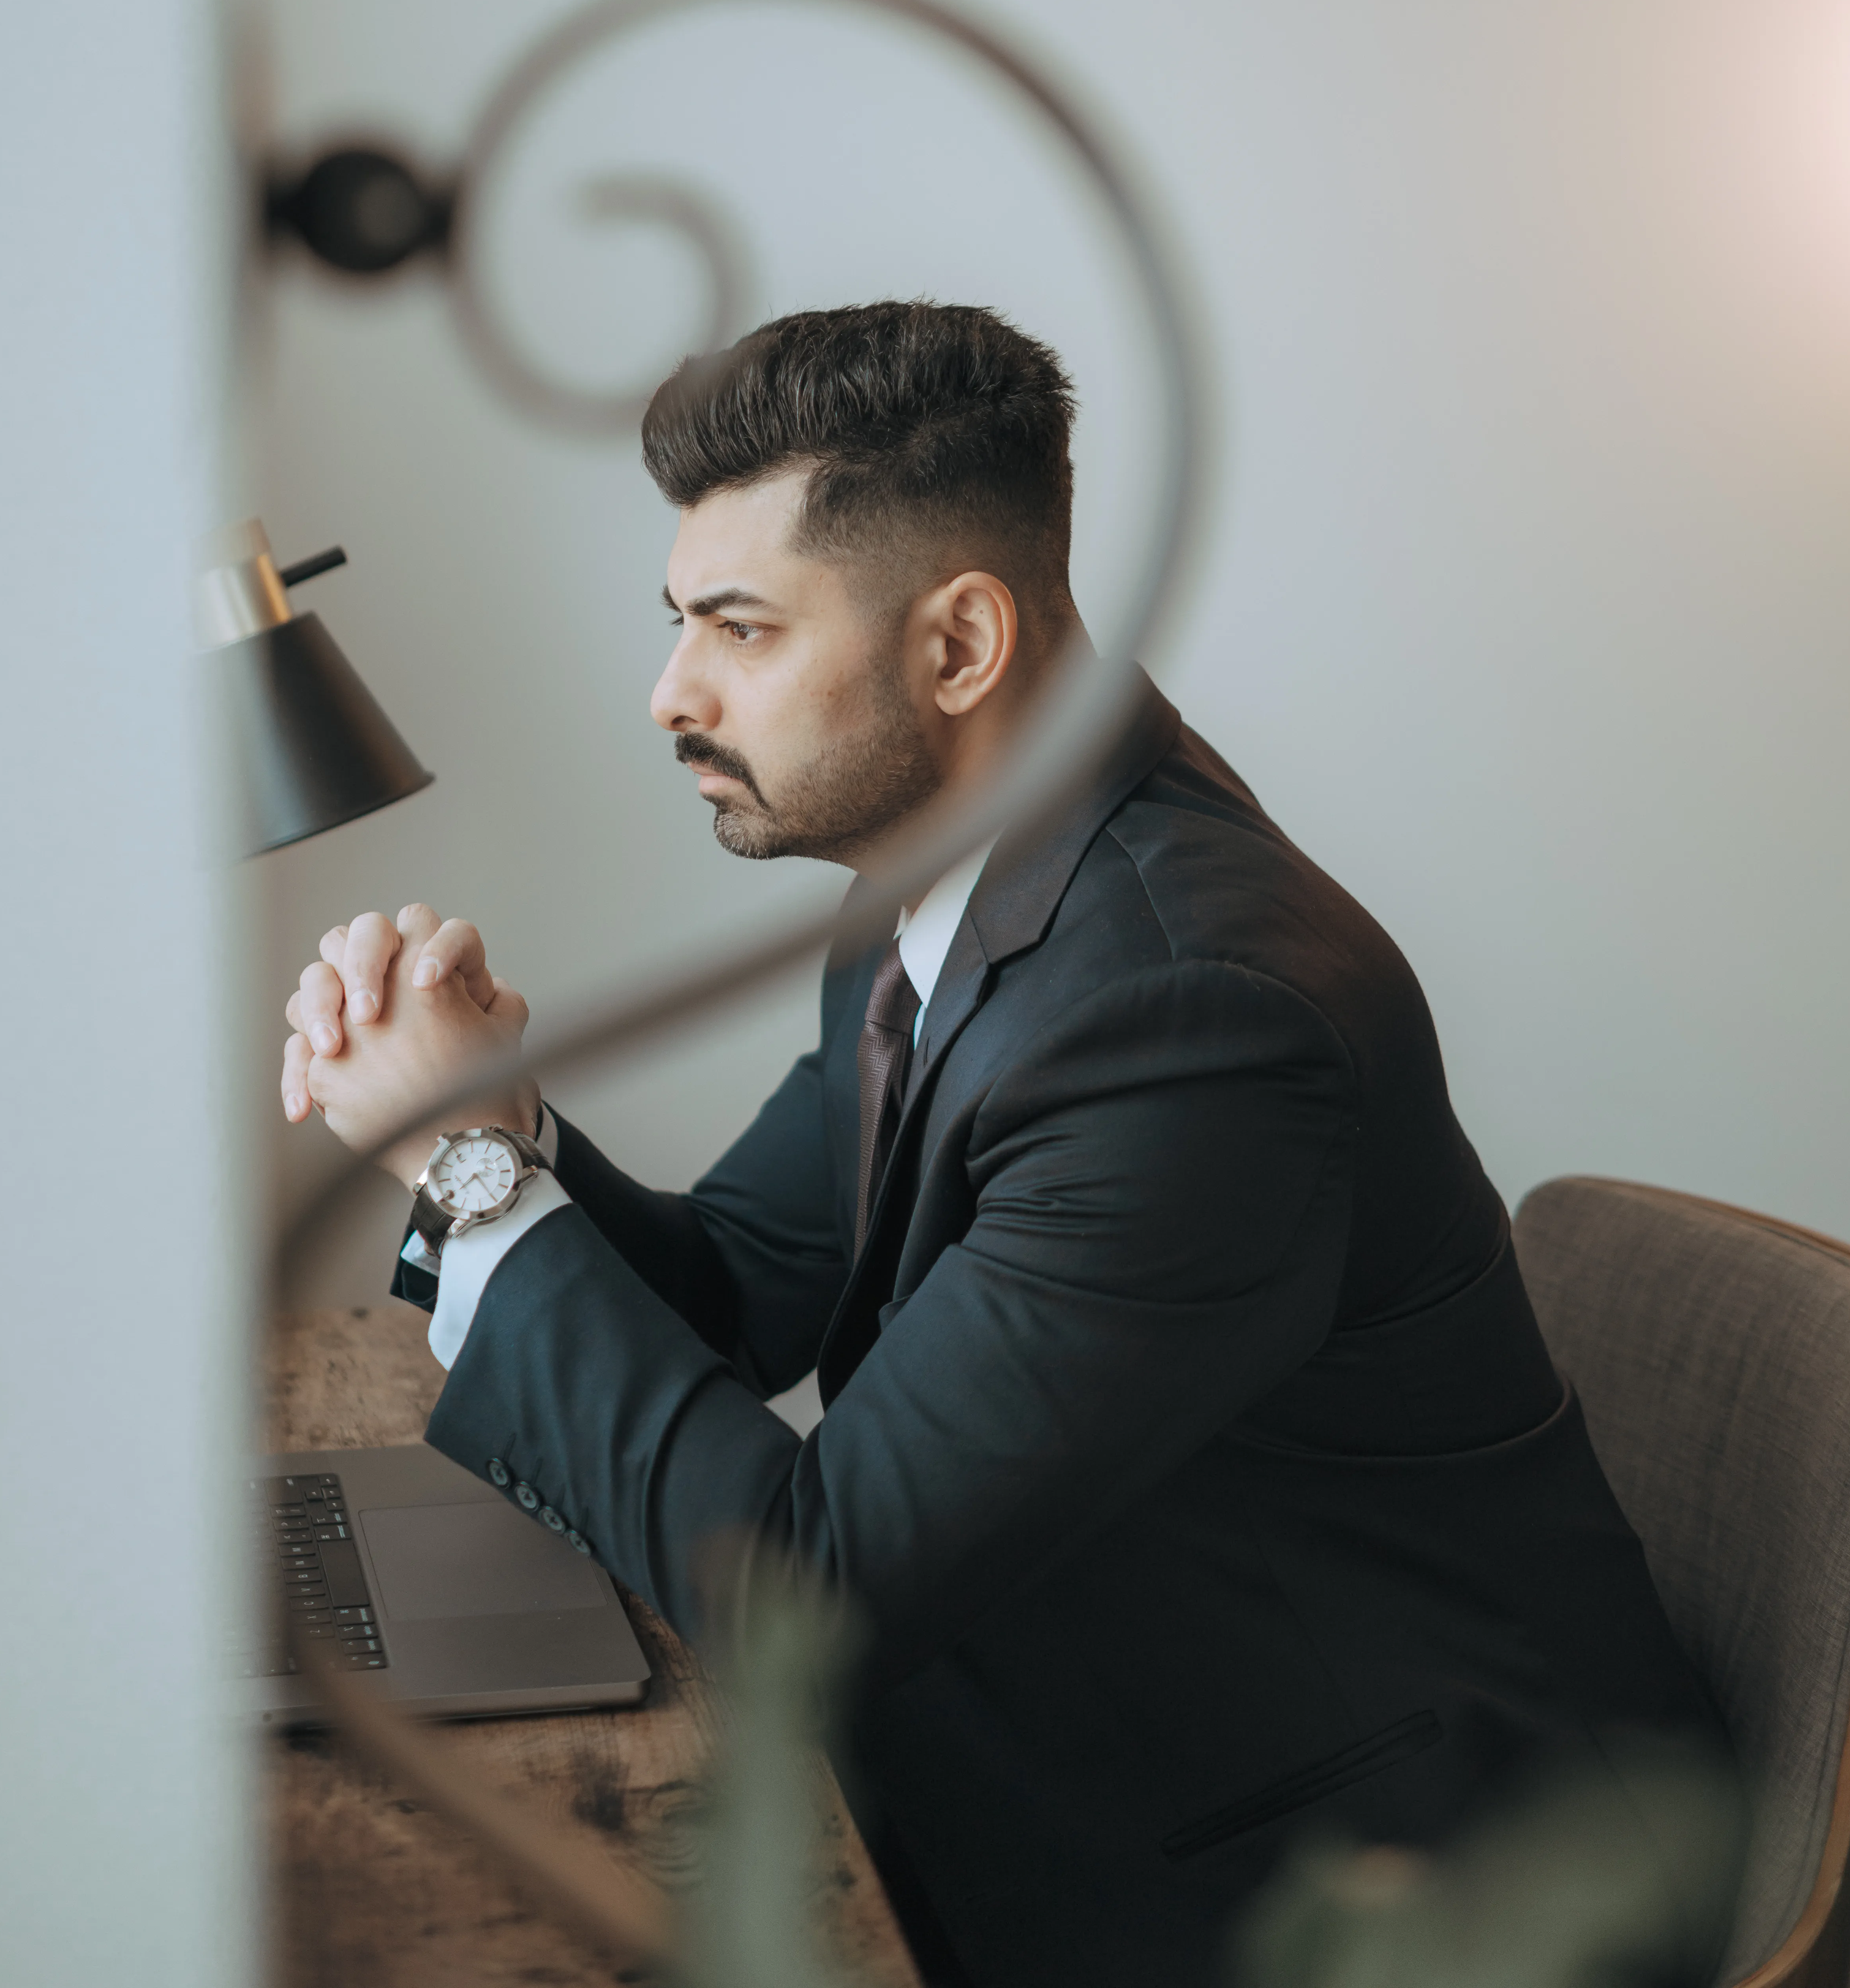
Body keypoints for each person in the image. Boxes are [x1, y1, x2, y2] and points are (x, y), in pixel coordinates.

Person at [283, 300, 1734, 1988]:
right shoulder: (946, 885)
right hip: (1131, 1731)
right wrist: (500, 1127)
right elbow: (748, 1288)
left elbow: (803, 1595)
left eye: (739, 630)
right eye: (679, 619)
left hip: (1371, 1873)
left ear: (960, 645)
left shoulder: (1195, 1022)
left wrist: (471, 1185)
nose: (667, 691)